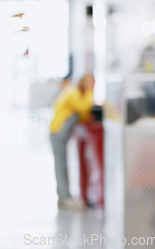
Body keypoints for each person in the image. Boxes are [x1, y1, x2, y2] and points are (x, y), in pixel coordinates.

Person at [49, 73, 95, 210]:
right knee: (61, 164)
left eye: (92, 84)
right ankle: (64, 196)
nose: (90, 86)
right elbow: (83, 109)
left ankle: (64, 195)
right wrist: (89, 92)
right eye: (88, 83)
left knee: (62, 163)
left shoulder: (74, 92)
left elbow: (83, 116)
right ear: (82, 82)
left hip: (59, 132)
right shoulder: (73, 92)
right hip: (58, 131)